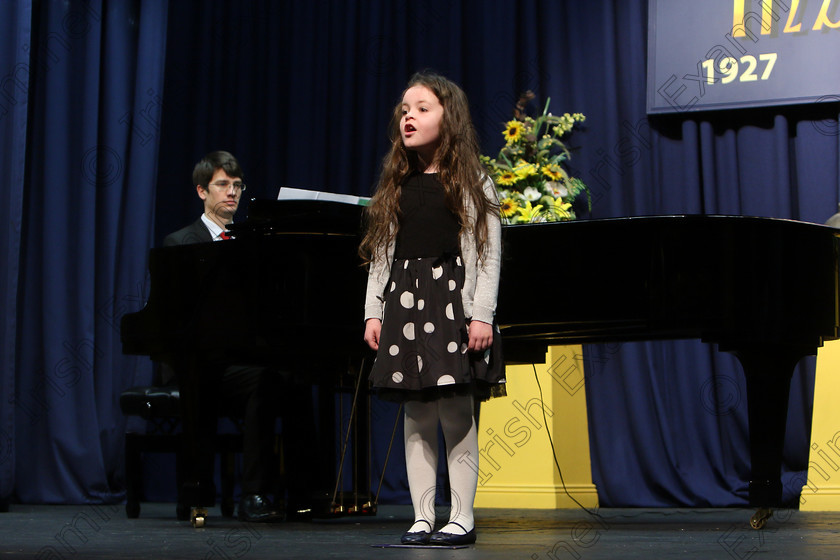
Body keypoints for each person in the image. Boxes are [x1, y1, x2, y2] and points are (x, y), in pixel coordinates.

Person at [360, 72, 505, 546]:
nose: (409, 117)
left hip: (450, 303)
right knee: (416, 413)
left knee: (453, 409)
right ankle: (423, 515)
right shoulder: (396, 182)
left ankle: (461, 515)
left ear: (449, 117)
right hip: (404, 303)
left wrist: (481, 313)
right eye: (404, 110)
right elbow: (382, 252)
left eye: (422, 108)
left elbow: (488, 252)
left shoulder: (471, 180)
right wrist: (373, 311)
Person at [163, 150, 284, 523]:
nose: (232, 193)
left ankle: (255, 495)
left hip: (236, 360)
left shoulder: (252, 244)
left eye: (237, 185)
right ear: (202, 191)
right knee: (202, 382)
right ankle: (196, 492)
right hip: (194, 359)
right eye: (222, 185)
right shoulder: (181, 242)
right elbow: (174, 314)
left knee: (271, 379)